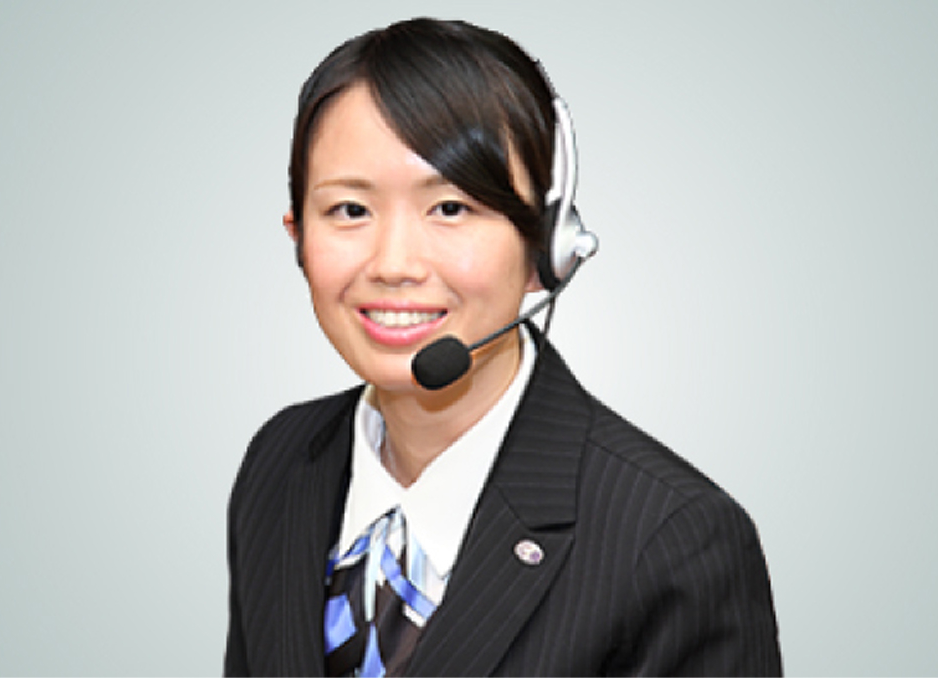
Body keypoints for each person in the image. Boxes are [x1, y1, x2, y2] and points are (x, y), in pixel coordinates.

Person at [225, 18, 781, 677]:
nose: (394, 264)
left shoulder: (672, 540)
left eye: (451, 208)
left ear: (547, 248)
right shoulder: (282, 462)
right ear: (297, 235)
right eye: (350, 210)